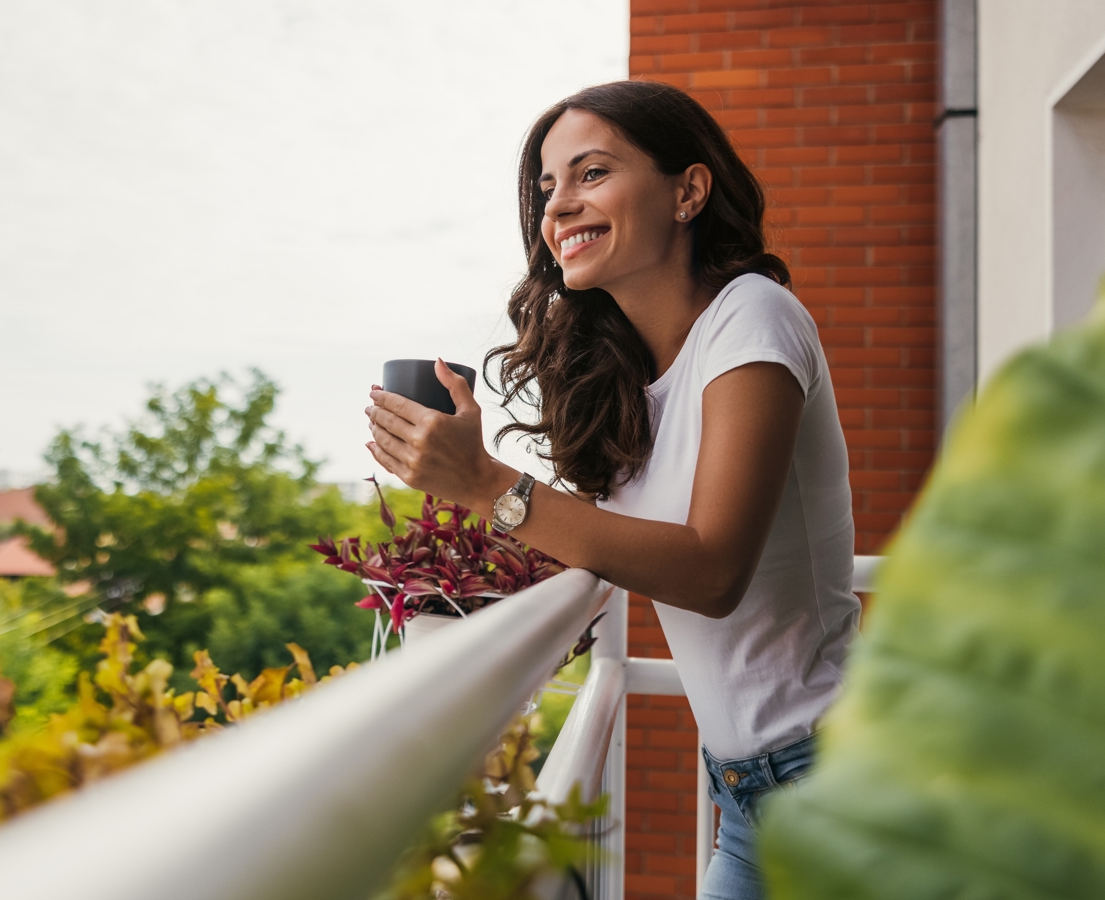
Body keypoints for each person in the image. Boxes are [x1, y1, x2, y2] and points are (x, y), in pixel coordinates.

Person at [363, 80, 859, 899]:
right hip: (747, 794)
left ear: (687, 192)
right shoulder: (626, 377)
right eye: (547, 187)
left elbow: (711, 571)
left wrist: (486, 483)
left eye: (591, 173)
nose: (558, 206)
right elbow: (617, 544)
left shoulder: (754, 318)